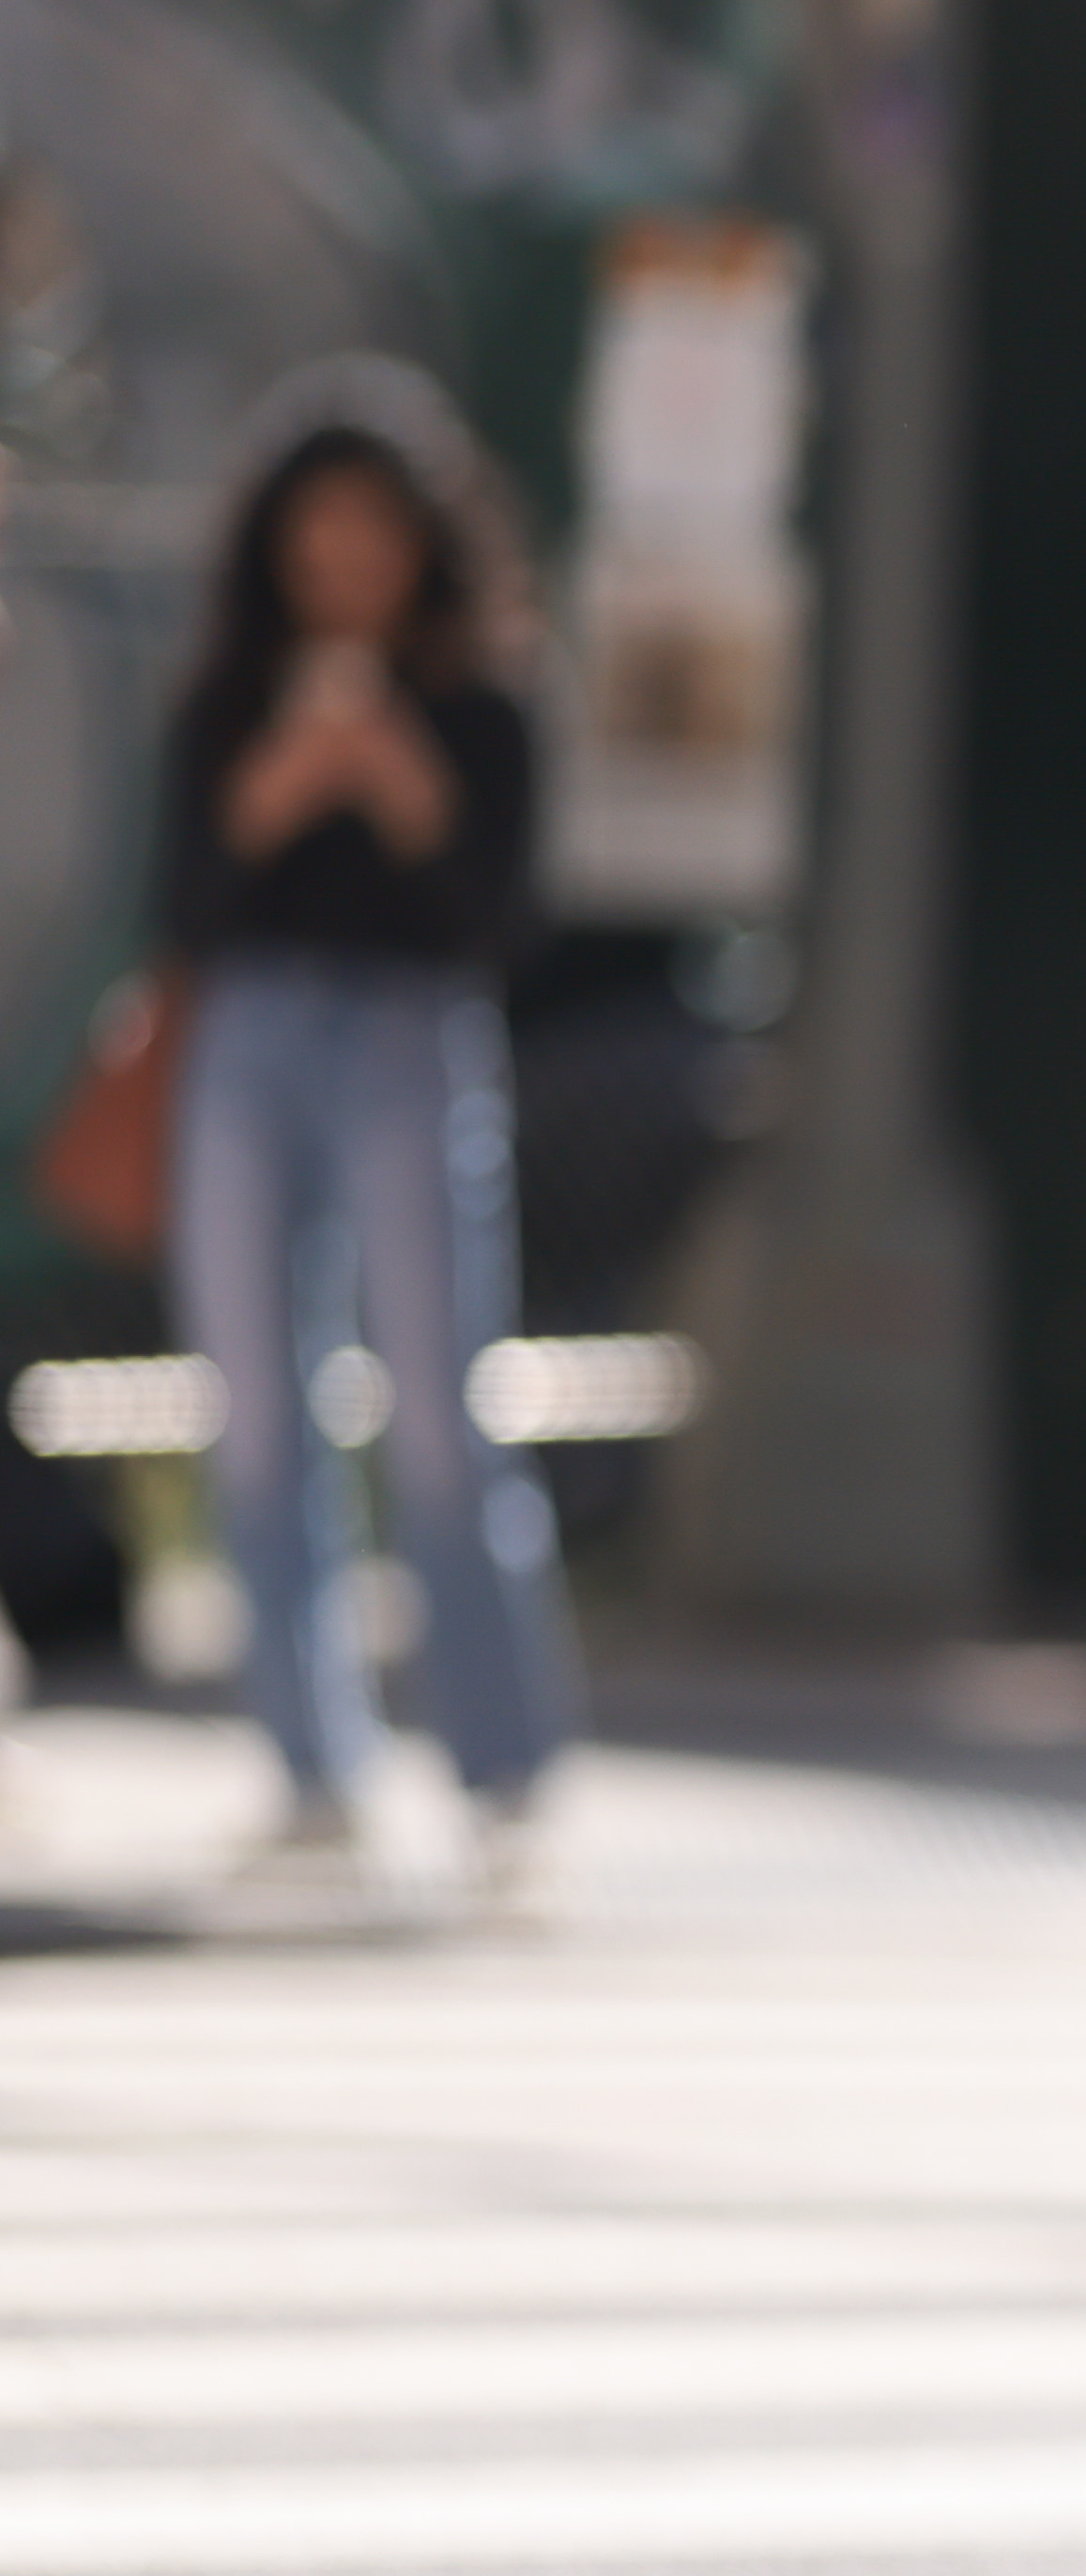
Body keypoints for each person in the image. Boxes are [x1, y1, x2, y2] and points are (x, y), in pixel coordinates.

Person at [149, 389, 574, 1902]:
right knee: (260, 1414)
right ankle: (309, 1765)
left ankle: (504, 1768)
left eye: (373, 532)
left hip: (410, 1039)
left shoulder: (483, 705)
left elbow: (498, 918)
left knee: (443, 1410)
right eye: (318, 532)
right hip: (249, 1041)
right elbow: (180, 907)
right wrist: (275, 787)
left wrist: (400, 781)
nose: (344, 560)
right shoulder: (224, 697)